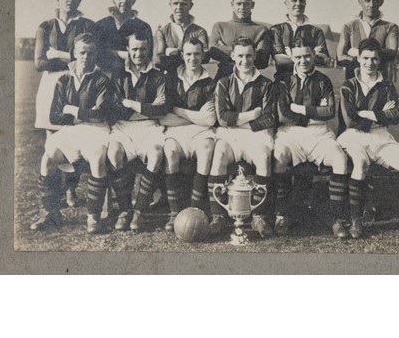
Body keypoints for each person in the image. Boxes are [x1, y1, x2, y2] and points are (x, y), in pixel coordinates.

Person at [337, 38, 399, 241]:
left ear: (380, 61)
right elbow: (351, 120)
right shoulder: (348, 85)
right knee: (359, 164)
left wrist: (366, 113)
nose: (370, 62)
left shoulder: (386, 86)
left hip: (381, 136)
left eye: (375, 58)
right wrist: (379, 114)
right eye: (366, 58)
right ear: (358, 59)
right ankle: (356, 219)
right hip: (354, 137)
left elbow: (395, 116)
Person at [30, 33, 112, 234]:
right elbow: (54, 117)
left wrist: (71, 110)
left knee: (97, 157)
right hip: (70, 131)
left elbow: (100, 114)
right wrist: (83, 115)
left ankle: (93, 217)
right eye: (82, 52)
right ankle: (51, 215)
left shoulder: (102, 80)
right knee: (48, 158)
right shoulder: (63, 80)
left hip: (97, 130)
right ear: (74, 53)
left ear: (96, 55)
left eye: (91, 53)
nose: (86, 57)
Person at [273, 38, 349, 238]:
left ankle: (337, 218)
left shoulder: (323, 80)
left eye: (307, 55)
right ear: (292, 57)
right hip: (290, 133)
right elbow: (282, 115)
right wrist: (313, 113)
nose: (303, 60)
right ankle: (281, 215)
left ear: (314, 55)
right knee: (279, 157)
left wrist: (298, 109)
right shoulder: (284, 81)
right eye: (298, 56)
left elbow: (330, 111)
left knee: (339, 159)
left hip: (319, 133)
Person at [208, 37, 276, 237]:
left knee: (263, 158)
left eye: (248, 55)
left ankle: (259, 216)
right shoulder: (223, 83)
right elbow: (222, 118)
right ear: (232, 56)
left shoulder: (266, 84)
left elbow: (270, 118)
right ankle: (218, 216)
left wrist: (239, 120)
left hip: (257, 135)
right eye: (240, 55)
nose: (244, 60)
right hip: (230, 134)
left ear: (255, 56)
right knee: (219, 154)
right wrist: (252, 115)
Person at [34, 0, 95, 207]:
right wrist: (70, 56)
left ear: (79, 0)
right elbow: (39, 63)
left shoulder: (86, 24)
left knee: (73, 137)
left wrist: (59, 54)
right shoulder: (45, 26)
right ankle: (56, 193)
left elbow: (89, 56)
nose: (70, 0)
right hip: (50, 84)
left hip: (74, 81)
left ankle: (71, 190)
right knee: (53, 142)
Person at [107, 31, 169, 232]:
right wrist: (146, 106)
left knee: (156, 153)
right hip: (123, 127)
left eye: (142, 49)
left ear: (148, 50)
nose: (138, 53)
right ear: (128, 50)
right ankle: (125, 210)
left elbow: (161, 109)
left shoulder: (158, 75)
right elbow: (114, 108)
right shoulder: (118, 74)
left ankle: (139, 212)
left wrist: (130, 103)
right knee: (114, 152)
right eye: (134, 49)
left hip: (150, 127)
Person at [160, 38, 217, 232]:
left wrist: (177, 110)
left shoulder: (210, 82)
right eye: (189, 54)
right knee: (170, 151)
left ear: (203, 55)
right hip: (175, 131)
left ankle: (195, 209)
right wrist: (196, 116)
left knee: (207, 148)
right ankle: (175, 212)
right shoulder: (171, 80)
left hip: (201, 132)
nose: (193, 58)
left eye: (197, 54)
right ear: (182, 55)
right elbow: (163, 118)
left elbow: (209, 120)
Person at [337, 0, 399, 80]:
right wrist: (373, 55)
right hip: (354, 81)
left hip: (380, 82)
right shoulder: (349, 27)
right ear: (360, 2)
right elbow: (340, 57)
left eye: (375, 1)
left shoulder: (390, 27)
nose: (371, 5)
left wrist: (358, 52)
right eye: (367, 1)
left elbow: (392, 53)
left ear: (381, 2)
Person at [209, 0, 272, 81]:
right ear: (232, 4)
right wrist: (250, 52)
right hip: (224, 78)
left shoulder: (261, 30)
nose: (242, 7)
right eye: (239, 3)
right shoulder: (220, 27)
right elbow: (213, 51)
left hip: (251, 81)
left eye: (246, 4)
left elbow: (262, 61)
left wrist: (226, 50)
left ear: (252, 5)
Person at [270, 0, 330, 79]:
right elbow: (279, 60)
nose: (298, 3)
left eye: (302, 1)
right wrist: (310, 55)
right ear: (286, 3)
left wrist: (290, 56)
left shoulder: (316, 31)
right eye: (294, 0)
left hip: (311, 83)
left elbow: (324, 59)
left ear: (305, 3)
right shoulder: (276, 30)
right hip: (283, 82)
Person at [94, 0, 153, 72]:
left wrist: (110, 52)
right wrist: (123, 54)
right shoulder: (100, 25)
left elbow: (147, 56)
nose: (124, 1)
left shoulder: (144, 27)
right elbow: (96, 54)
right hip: (107, 75)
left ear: (134, 0)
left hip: (133, 76)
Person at [155, 0, 209, 73]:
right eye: (175, 3)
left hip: (192, 77)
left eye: (183, 4)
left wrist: (173, 53)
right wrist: (190, 54)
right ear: (170, 5)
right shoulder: (162, 31)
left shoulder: (200, 31)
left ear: (190, 6)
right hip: (169, 77)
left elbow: (205, 57)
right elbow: (158, 59)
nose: (179, 7)